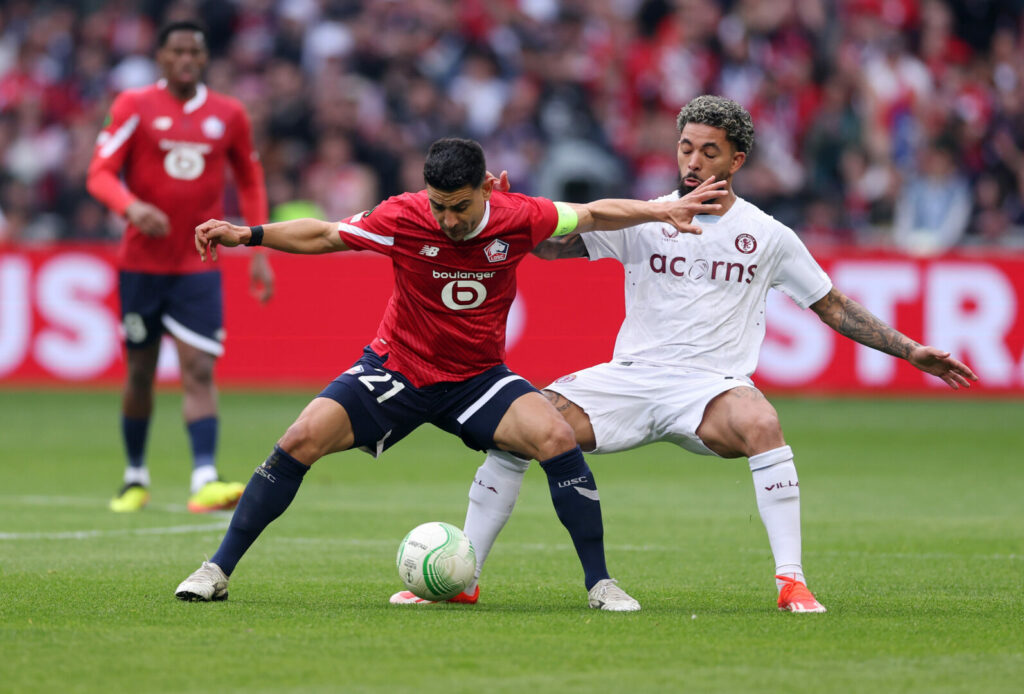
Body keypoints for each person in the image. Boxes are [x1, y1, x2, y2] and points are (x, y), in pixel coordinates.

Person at [390, 96, 978, 612]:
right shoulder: (646, 217)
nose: (693, 162)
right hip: (630, 377)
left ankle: (792, 583)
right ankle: (465, 579)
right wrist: (505, 207)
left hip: (711, 387)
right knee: (519, 429)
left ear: (736, 160)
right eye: (685, 148)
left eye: (709, 152)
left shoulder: (768, 236)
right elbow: (550, 246)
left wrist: (910, 350)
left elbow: (832, 305)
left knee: (762, 421)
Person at [174, 137, 727, 609]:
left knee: (556, 437)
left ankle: (601, 583)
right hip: (399, 368)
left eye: (459, 206)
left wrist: (661, 211)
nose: (449, 220)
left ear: (487, 188)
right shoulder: (404, 216)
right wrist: (247, 235)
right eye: (440, 207)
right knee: (299, 439)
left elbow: (593, 212)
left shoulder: (520, 215)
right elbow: (324, 235)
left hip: (477, 377)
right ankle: (217, 571)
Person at [86, 20, 274, 514]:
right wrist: (130, 206)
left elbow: (251, 182)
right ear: (162, 59)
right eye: (178, 51)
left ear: (204, 58)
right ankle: (134, 476)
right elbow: (99, 172)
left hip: (199, 263)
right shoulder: (134, 106)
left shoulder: (229, 114)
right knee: (140, 373)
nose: (187, 58)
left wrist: (258, 250)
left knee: (198, 369)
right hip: (141, 265)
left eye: (196, 50)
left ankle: (205, 477)